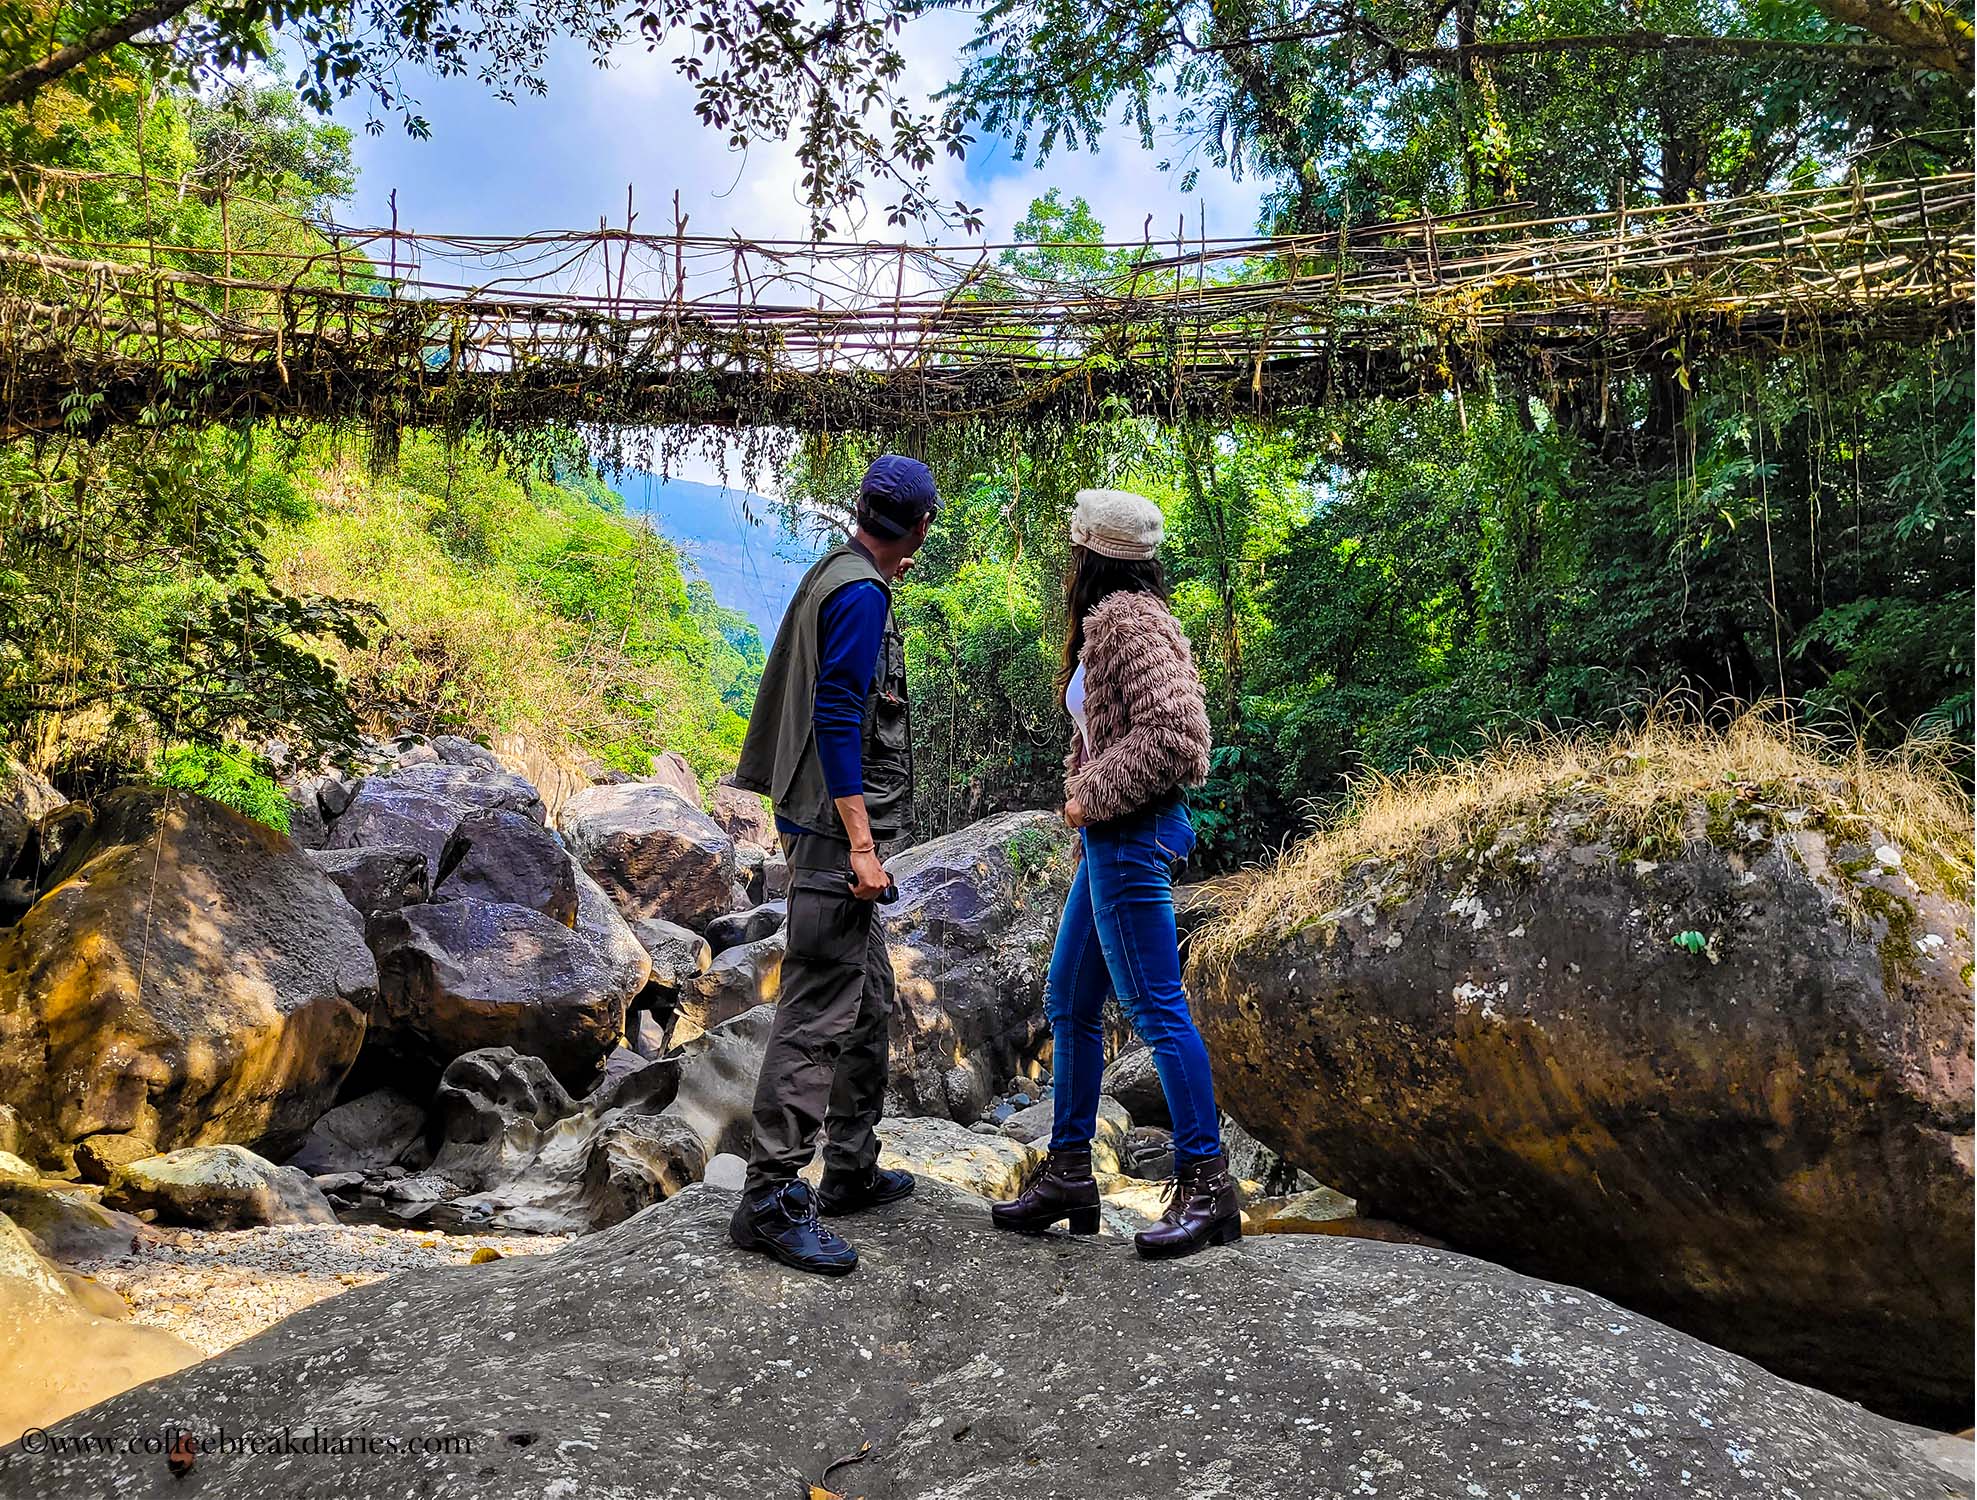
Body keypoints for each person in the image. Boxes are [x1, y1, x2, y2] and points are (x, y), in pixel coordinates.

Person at [989, 488, 1239, 1259]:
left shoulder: (1123, 622)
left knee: (1158, 1009)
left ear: (1087, 554)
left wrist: (1085, 796)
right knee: (1068, 998)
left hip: (1127, 834)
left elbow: (1180, 737)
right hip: (1110, 839)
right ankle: (1069, 1172)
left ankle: (1208, 1187)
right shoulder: (1125, 620)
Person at [725, 454, 938, 1275]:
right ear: (918, 526)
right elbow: (838, 714)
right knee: (817, 1010)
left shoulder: (838, 572)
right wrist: (858, 842)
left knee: (869, 999)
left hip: (819, 823)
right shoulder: (859, 594)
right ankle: (771, 1199)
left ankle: (848, 1167)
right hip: (829, 833)